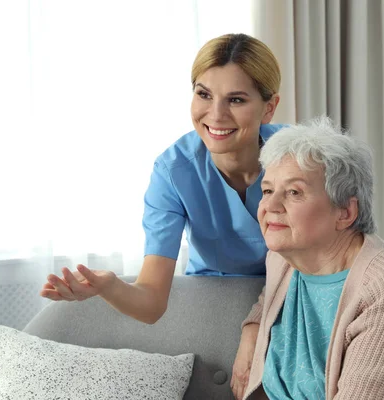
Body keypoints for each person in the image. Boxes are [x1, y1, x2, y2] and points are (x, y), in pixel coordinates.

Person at [39, 33, 282, 326]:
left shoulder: (299, 157)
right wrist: (109, 286)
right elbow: (151, 303)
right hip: (214, 305)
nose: (216, 115)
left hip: (290, 297)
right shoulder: (174, 171)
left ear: (269, 108)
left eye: (236, 100)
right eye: (203, 94)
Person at [237, 116, 384, 400]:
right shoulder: (284, 259)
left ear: (345, 212)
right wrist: (252, 329)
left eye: (294, 192)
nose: (269, 205)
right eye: (268, 190)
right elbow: (271, 299)